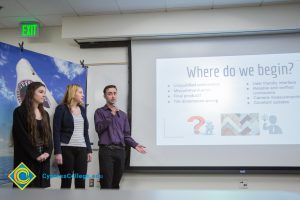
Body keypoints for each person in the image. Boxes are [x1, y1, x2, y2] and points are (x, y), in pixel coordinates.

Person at [94, 85, 146, 189]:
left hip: (120, 152)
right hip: (106, 151)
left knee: (115, 184)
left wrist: (135, 145)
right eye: (110, 93)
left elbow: (126, 135)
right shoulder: (99, 112)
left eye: (115, 93)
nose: (113, 96)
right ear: (104, 96)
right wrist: (111, 115)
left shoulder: (123, 115)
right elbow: (99, 128)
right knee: (106, 184)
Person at [12, 82, 53, 188]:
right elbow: (21, 137)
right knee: (21, 194)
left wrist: (48, 153)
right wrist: (36, 155)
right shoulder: (19, 111)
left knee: (40, 193)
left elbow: (49, 137)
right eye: (40, 92)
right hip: (25, 159)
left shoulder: (45, 114)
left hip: (43, 161)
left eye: (44, 92)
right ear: (31, 93)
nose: (44, 95)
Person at [53, 84, 92, 189]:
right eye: (80, 92)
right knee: (66, 182)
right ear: (73, 93)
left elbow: (85, 132)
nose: (83, 95)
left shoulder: (82, 110)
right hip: (66, 149)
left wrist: (89, 150)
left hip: (82, 149)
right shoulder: (61, 109)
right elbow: (56, 131)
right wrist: (57, 152)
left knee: (80, 182)